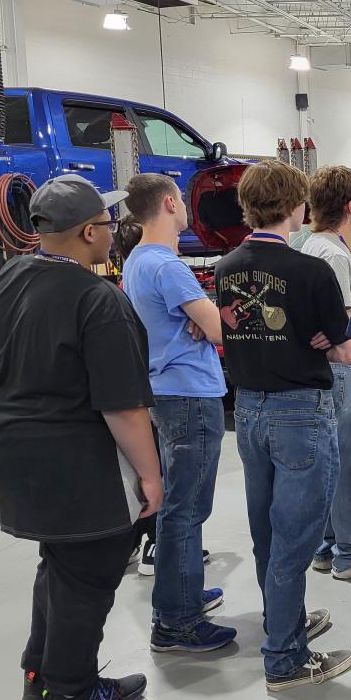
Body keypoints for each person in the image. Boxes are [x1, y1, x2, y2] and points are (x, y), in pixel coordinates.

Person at [0, 175, 160, 700]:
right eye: (110, 225)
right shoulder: (98, 300)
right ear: (89, 231)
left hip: (16, 461)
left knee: (59, 566)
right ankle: (73, 693)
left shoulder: (11, 276)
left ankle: (40, 677)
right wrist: (150, 476)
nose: (116, 232)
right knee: (89, 575)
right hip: (79, 468)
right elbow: (124, 408)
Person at [214, 160, 351, 691]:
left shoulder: (227, 267)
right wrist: (323, 337)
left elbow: (231, 328)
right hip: (300, 412)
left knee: (267, 534)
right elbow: (341, 351)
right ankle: (285, 659)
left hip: (248, 410)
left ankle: (285, 624)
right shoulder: (312, 271)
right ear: (297, 207)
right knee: (296, 540)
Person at [121, 174, 236, 653]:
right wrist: (209, 314)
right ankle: (177, 622)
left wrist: (202, 315)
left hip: (165, 394)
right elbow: (220, 332)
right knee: (186, 510)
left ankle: (180, 595)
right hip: (189, 394)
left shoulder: (135, 262)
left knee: (179, 507)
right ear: (170, 204)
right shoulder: (168, 267)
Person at [298, 166, 351, 581]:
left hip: (326, 372)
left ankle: (329, 546)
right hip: (342, 373)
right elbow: (342, 328)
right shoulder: (332, 253)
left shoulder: (312, 244)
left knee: (333, 459)